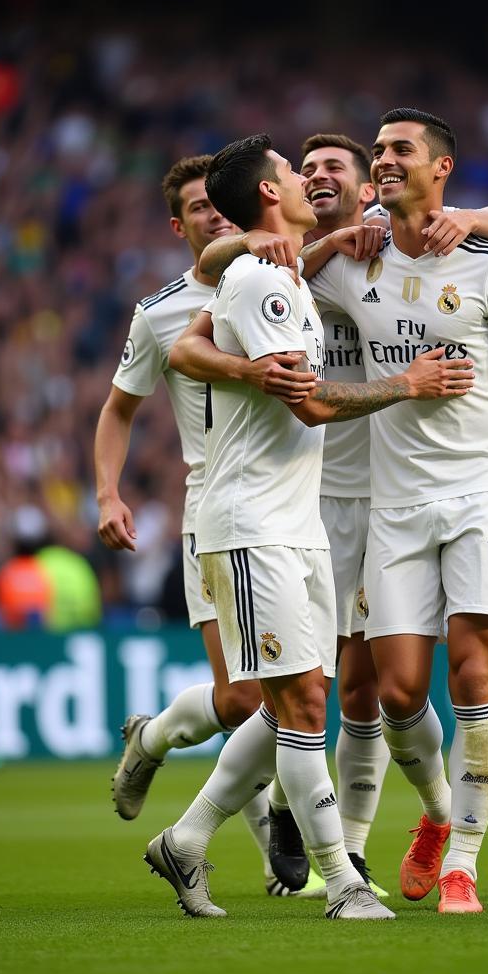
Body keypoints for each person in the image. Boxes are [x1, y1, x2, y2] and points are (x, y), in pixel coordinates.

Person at [201, 132, 488, 900]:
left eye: (333, 168)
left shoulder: (439, 249)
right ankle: (337, 834)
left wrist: (478, 215)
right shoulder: (315, 267)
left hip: (441, 485)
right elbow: (215, 273)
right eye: (303, 167)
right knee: (362, 692)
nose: (314, 175)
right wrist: (279, 243)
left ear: (368, 191)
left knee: (470, 675)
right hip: (334, 500)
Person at [152, 132, 473, 920]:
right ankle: (344, 880)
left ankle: (187, 841)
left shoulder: (282, 273)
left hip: (296, 525)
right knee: (299, 706)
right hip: (252, 524)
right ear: (268, 193)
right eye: (293, 173)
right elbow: (313, 401)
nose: (304, 179)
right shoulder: (261, 279)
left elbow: (200, 338)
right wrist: (409, 382)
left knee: (300, 698)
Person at [296, 108, 488, 914]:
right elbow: (264, 280)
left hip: (482, 488)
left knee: (478, 674)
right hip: (396, 502)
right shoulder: (357, 262)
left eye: (397, 150)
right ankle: (440, 815)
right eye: (375, 150)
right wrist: (329, 243)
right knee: (400, 693)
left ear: (440, 169)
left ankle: (466, 866)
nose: (382, 160)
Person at [95, 155, 311, 895]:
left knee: (280, 694)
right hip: (213, 511)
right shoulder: (160, 311)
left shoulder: (284, 272)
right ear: (179, 224)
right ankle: (156, 745)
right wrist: (106, 494)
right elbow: (118, 408)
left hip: (293, 507)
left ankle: (216, 809)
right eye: (196, 209)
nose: (213, 218)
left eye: (218, 206)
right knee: (252, 698)